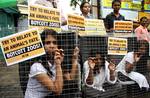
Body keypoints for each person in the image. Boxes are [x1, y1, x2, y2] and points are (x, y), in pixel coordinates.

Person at [23, 29, 80, 98]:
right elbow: (57, 90)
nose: (52, 46)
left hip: (49, 96)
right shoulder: (37, 66)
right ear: (42, 46)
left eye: (54, 42)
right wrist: (58, 65)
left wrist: (74, 60)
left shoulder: (55, 61)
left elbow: (70, 79)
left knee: (74, 87)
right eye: (48, 43)